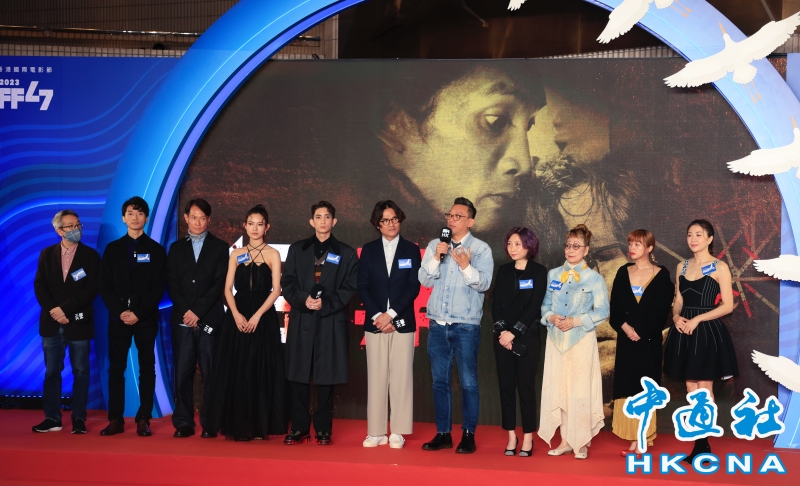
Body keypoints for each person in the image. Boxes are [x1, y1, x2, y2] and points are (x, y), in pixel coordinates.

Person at [206, 204, 288, 441]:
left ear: (267, 227)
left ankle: (260, 425)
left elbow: (276, 290)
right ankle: (238, 425)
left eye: (259, 224)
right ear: (244, 225)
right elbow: (227, 289)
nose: (255, 228)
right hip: (237, 317)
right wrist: (235, 314)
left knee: (260, 368)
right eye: (251, 223)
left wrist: (257, 316)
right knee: (239, 369)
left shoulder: (273, 254)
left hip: (263, 317)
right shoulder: (236, 253)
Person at [419, 197, 493, 454]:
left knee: (468, 383)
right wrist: (437, 257)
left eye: (458, 216)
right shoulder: (435, 245)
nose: (451, 220)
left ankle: (469, 434)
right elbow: (424, 280)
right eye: (449, 215)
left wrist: (465, 266)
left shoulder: (481, 249)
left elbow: (484, 283)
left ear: (470, 221)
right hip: (438, 324)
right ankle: (443, 433)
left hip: (465, 326)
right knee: (439, 382)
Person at [281, 201, 358, 445]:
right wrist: (304, 299)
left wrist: (326, 303)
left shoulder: (346, 252)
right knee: (299, 374)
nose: (322, 221)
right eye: (318, 217)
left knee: (327, 375)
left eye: (327, 217)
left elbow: (350, 287)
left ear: (334, 221)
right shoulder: (297, 249)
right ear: (311, 221)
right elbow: (287, 283)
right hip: (302, 317)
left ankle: (323, 428)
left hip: (330, 319)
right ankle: (300, 427)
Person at [664, 219, 737, 462]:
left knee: (704, 390)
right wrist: (676, 317)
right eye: (689, 234)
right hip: (684, 331)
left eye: (698, 234)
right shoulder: (682, 266)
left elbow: (727, 306)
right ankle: (700, 442)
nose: (693, 239)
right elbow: (678, 300)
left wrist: (698, 319)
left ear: (709, 238)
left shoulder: (720, 267)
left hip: (706, 332)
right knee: (690, 389)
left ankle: (703, 445)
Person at [539, 224, 608, 460]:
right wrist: (551, 317)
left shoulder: (594, 278)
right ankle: (566, 440)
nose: (570, 250)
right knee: (559, 390)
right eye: (568, 245)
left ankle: (582, 442)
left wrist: (577, 321)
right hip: (556, 340)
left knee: (579, 391)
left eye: (576, 246)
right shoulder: (553, 274)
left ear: (586, 250)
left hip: (581, 341)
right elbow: (545, 306)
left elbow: (603, 311)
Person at [99, 197, 167, 436]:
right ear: (123, 218)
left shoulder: (156, 250)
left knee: (147, 368)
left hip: (145, 320)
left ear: (146, 218)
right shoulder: (112, 249)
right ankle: (115, 419)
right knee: (116, 370)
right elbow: (104, 285)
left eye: (139, 213)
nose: (135, 217)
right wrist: (121, 312)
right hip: (118, 320)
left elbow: (158, 288)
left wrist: (138, 313)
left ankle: (144, 418)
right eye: (130, 213)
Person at [357, 200, 421, 449]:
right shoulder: (369, 250)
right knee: (376, 377)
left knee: (402, 377)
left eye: (394, 219)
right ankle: (376, 432)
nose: (391, 224)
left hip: (402, 321)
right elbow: (362, 286)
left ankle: (399, 431)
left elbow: (413, 286)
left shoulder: (411, 250)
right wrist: (378, 316)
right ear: (377, 224)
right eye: (385, 220)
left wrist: (392, 314)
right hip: (375, 322)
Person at [32, 210, 101, 434]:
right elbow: (40, 287)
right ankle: (52, 417)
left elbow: (91, 290)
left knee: (81, 371)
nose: (76, 229)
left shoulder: (90, 256)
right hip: (52, 323)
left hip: (78, 322)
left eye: (78, 225)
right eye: (70, 226)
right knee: (52, 371)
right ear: (59, 230)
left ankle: (79, 417)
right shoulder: (46, 254)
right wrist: (55, 312)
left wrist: (65, 309)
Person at [166, 198, 229, 439]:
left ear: (209, 220)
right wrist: (187, 311)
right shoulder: (175, 248)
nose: (198, 222)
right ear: (186, 218)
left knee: (211, 372)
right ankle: (183, 421)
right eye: (193, 217)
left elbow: (218, 285)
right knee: (182, 373)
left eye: (202, 218)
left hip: (209, 320)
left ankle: (211, 422)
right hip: (182, 320)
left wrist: (197, 312)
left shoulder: (220, 247)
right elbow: (172, 283)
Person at [609, 229, 673, 456]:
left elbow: (662, 313)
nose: (632, 248)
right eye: (630, 243)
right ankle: (632, 438)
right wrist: (626, 328)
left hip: (649, 343)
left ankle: (642, 439)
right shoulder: (622, 272)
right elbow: (615, 308)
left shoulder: (662, 276)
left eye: (637, 244)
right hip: (626, 342)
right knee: (627, 388)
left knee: (645, 389)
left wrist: (642, 333)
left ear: (649, 248)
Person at [490, 227, 547, 457]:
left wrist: (514, 333)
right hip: (502, 339)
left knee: (526, 389)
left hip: (527, 338)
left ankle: (528, 437)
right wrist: (503, 333)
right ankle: (511, 435)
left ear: (529, 246)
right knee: (506, 388)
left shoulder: (539, 271)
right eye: (510, 244)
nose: (513, 248)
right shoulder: (503, 270)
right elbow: (495, 304)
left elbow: (535, 306)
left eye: (518, 244)